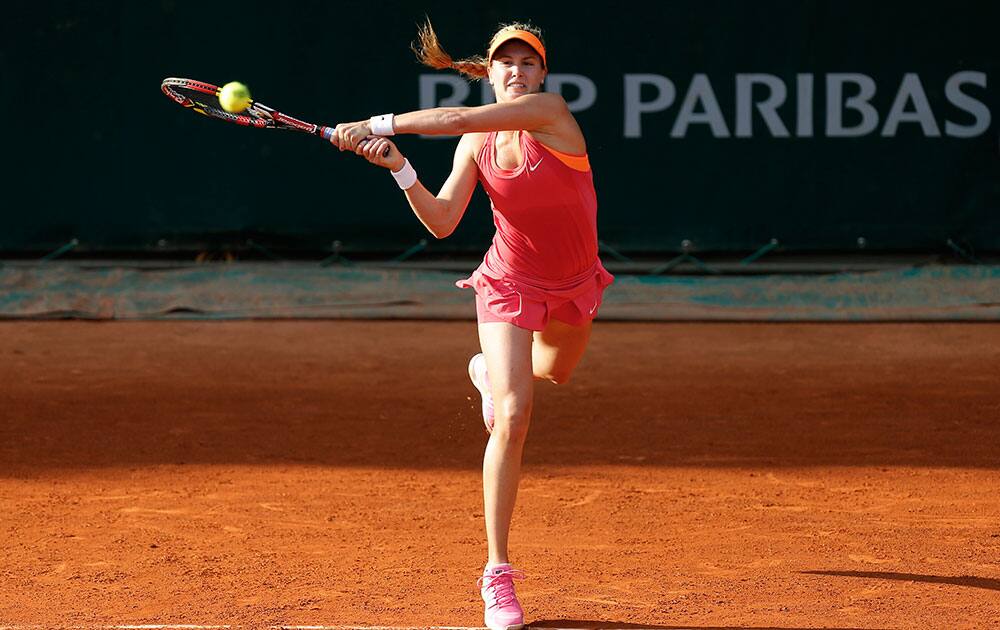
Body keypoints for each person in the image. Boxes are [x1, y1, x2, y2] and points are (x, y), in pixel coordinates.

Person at [329, 19, 614, 630]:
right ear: (490, 73)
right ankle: (498, 574)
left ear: (543, 75)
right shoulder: (475, 147)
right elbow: (441, 221)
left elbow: (455, 119)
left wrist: (379, 124)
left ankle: (490, 373)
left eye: (527, 62)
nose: (516, 71)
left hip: (572, 283)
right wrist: (401, 168)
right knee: (515, 415)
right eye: (504, 62)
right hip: (508, 282)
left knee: (554, 373)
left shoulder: (551, 113)